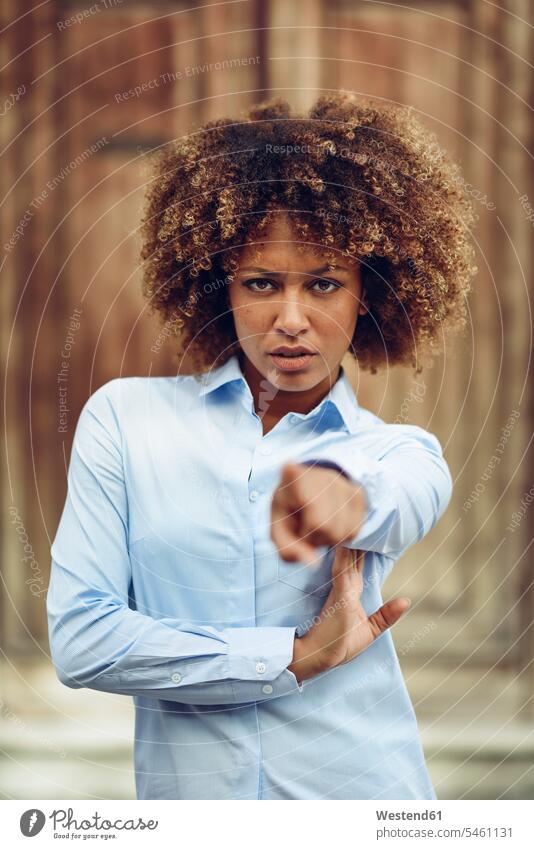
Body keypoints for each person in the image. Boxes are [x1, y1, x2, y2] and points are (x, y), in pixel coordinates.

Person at [47, 92, 476, 800]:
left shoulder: (400, 452)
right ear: (220, 286)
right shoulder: (125, 422)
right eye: (261, 283)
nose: (292, 318)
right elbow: (83, 640)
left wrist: (347, 498)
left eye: (325, 284)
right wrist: (293, 657)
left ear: (367, 294)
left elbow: (402, 500)